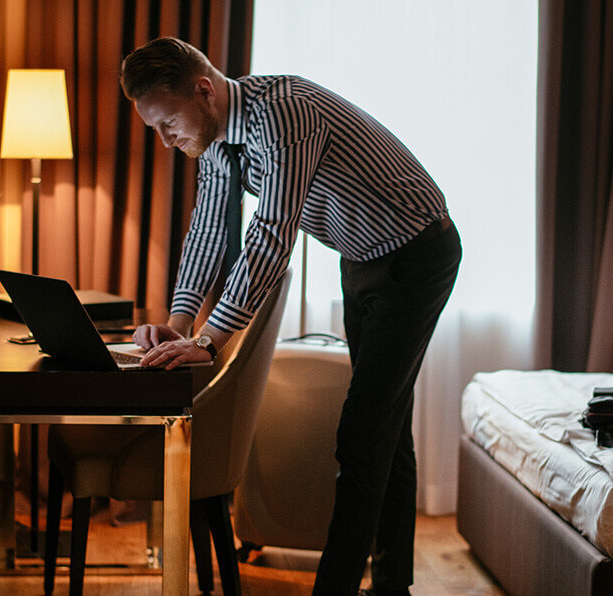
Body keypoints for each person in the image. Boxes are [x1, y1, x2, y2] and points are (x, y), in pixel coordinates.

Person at [123, 37, 460, 596]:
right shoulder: (215, 142)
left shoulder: (283, 113)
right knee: (387, 432)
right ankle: (393, 586)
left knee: (362, 434)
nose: (164, 140)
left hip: (417, 254)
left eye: (168, 123)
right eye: (153, 128)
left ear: (204, 91)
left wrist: (208, 341)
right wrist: (178, 324)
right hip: (362, 258)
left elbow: (271, 233)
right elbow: (209, 230)